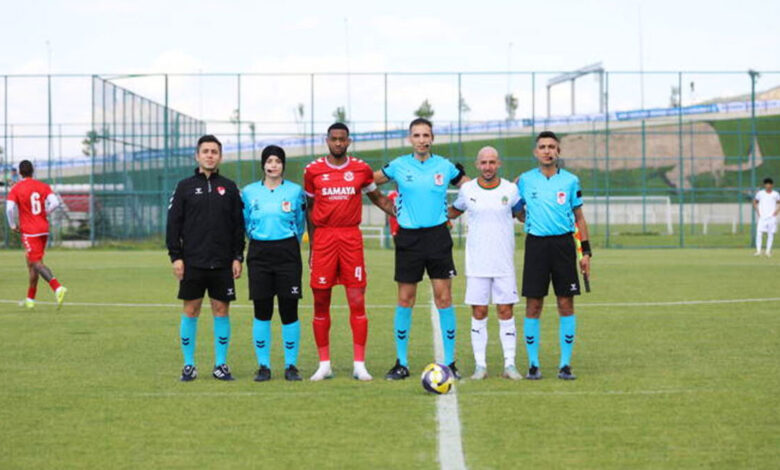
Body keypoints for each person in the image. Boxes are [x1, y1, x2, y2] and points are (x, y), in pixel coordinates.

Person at [374, 118, 469, 380]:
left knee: (444, 298)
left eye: (426, 135)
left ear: (432, 138)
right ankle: (401, 363)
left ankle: (450, 363)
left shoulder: (445, 166)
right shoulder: (398, 165)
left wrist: (455, 210)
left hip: (438, 237)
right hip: (409, 239)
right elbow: (369, 182)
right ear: (410, 139)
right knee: (405, 298)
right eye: (416, 135)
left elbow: (470, 188)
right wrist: (385, 205)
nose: (422, 140)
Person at [304, 123, 395, 381]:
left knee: (356, 300)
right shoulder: (312, 170)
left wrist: (405, 214)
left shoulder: (361, 169)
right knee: (320, 301)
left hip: (350, 238)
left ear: (349, 141)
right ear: (327, 140)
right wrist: (312, 246)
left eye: (342, 139)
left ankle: (359, 365)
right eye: (334, 139)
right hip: (324, 239)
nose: (338, 143)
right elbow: (309, 208)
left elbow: (379, 199)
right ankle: (324, 365)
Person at [166, 134, 245, 382]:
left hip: (222, 262)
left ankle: (220, 365)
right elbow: (173, 224)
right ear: (197, 156)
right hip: (193, 262)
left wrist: (237, 256)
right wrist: (176, 257)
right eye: (206, 151)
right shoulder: (184, 187)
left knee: (221, 310)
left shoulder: (229, 187)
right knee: (191, 310)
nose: (210, 155)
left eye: (214, 152)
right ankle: (189, 365)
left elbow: (238, 225)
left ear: (220, 157)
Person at [515, 130, 591, 381]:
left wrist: (586, 252)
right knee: (533, 304)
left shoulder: (570, 181)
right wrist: (526, 217)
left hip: (563, 246)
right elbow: (515, 208)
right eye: (542, 147)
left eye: (551, 147)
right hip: (536, 246)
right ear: (535, 152)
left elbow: (579, 218)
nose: (547, 151)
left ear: (558, 151)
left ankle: (565, 364)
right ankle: (533, 364)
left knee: (565, 303)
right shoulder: (524, 180)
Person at [448, 146, 524, 380]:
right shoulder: (467, 189)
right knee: (479, 312)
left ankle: (510, 364)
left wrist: (529, 194)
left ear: (498, 164)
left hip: (503, 263)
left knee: (505, 311)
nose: (488, 167)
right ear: (477, 165)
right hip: (477, 263)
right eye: (484, 162)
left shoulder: (511, 189)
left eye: (492, 162)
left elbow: (522, 215)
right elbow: (453, 212)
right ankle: (480, 366)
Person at [242, 145, 306, 382]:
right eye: (269, 161)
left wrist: (288, 241)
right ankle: (264, 366)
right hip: (259, 252)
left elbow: (300, 222)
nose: (273, 165)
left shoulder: (295, 191)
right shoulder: (249, 192)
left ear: (283, 165)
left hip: (287, 252)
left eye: (278, 161)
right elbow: (245, 221)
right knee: (262, 310)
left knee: (289, 309)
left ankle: (291, 366)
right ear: (263, 165)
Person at [5, 160, 67, 309]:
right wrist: (45, 213)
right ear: (32, 171)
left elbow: (9, 209)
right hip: (43, 229)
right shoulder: (43, 186)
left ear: (20, 173)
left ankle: (57, 287)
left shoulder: (16, 188)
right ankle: (30, 299)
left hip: (30, 231)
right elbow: (55, 203)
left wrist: (12, 225)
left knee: (35, 262)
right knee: (32, 262)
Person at [752, 177, 779, 257]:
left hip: (772, 217)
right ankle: (758, 251)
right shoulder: (760, 193)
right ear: (764, 185)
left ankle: (768, 251)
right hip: (762, 217)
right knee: (759, 233)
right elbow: (755, 202)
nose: (768, 186)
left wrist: (777, 211)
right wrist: (757, 211)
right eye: (766, 184)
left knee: (770, 234)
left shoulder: (775, 194)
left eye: (769, 184)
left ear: (772, 185)